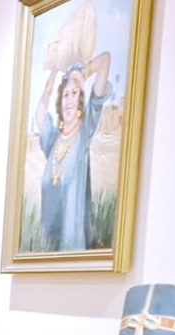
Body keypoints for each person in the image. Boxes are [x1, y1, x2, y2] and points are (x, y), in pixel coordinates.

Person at [35, 52, 110, 252]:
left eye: (74, 93)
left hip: (73, 248)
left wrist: (82, 73)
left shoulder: (84, 131)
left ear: (80, 100)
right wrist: (53, 73)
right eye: (65, 95)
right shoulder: (53, 140)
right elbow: (40, 114)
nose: (68, 101)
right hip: (48, 252)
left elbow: (105, 60)